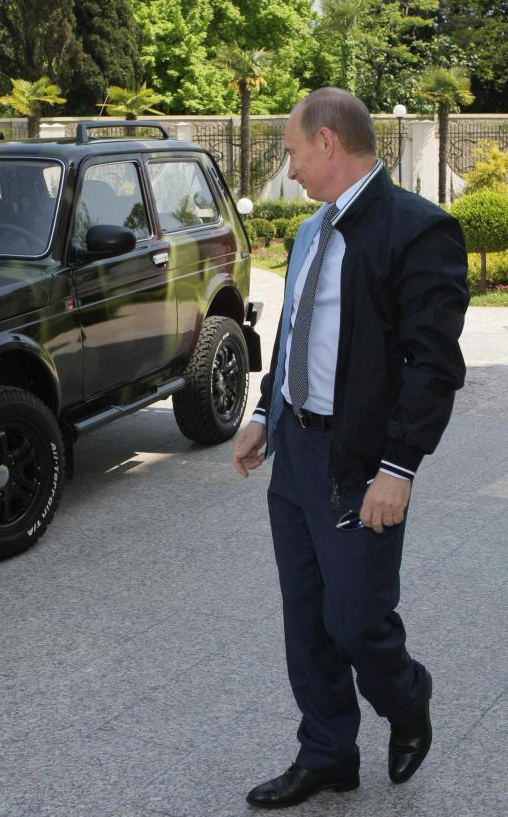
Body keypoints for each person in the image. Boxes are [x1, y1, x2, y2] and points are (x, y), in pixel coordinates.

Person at [232, 87, 469, 809]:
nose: (291, 166)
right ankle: (328, 752)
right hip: (296, 451)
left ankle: (407, 695)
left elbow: (433, 362)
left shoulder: (416, 230)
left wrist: (398, 467)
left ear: (329, 142)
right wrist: (265, 413)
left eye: (293, 151)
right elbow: (296, 331)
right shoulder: (309, 232)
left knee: (356, 619)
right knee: (306, 618)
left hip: (358, 460)